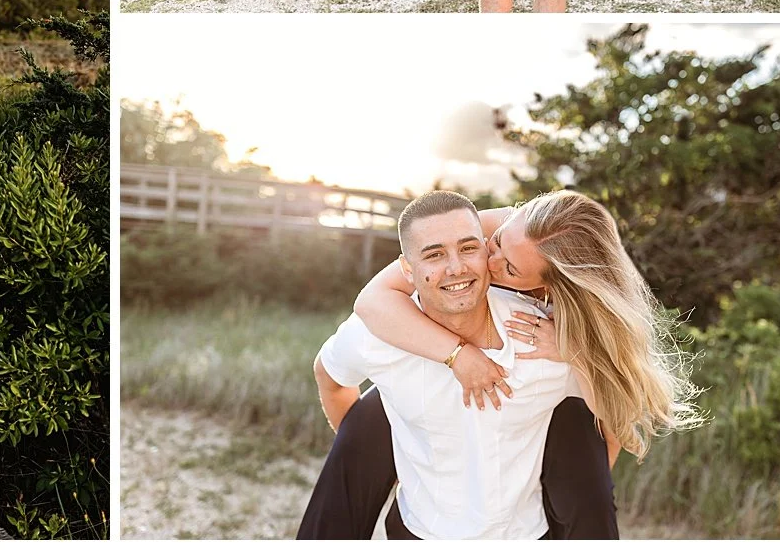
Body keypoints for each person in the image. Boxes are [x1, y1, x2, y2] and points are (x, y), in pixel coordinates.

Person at [298, 191, 702, 539]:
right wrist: (456, 356)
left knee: (585, 460)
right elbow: (370, 304)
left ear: (548, 286)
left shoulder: (557, 334)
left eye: (508, 267)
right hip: (419, 516)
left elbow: (613, 423)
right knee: (369, 418)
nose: (487, 263)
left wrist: (574, 351)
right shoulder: (497, 227)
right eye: (494, 243)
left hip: (528, 507)